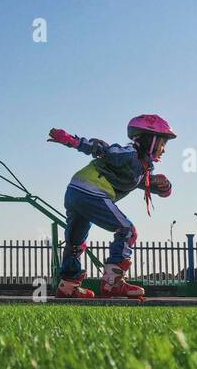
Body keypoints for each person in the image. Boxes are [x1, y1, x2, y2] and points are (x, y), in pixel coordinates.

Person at [46, 115, 177, 299]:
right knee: (127, 230)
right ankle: (112, 282)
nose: (164, 150)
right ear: (151, 140)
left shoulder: (142, 169)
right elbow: (102, 149)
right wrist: (72, 140)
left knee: (75, 241)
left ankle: (68, 286)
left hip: (75, 192)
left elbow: (154, 188)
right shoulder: (128, 154)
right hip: (91, 191)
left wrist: (165, 186)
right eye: (163, 143)